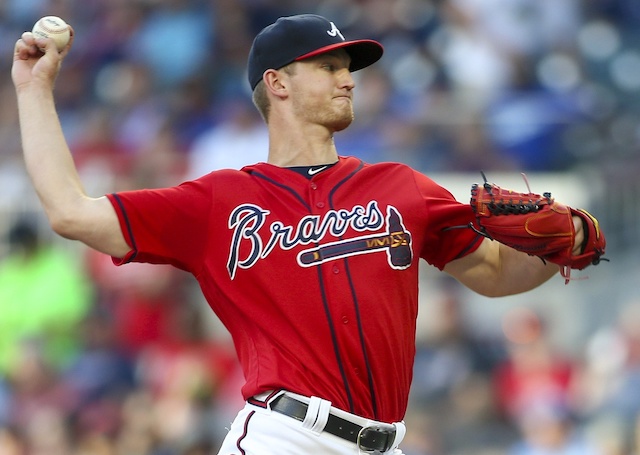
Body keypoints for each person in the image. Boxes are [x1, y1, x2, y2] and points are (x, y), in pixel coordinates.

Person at [12, 13, 597, 455]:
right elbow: (70, 211)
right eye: (329, 66)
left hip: (385, 441)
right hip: (286, 436)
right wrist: (34, 89)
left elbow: (495, 275)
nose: (347, 80)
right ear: (279, 83)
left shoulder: (401, 186)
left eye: (349, 69)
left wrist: (560, 247)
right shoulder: (217, 201)